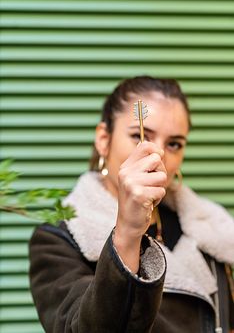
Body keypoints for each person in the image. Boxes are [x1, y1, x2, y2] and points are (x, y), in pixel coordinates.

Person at [29, 76, 234, 333]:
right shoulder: (60, 239)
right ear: (104, 139)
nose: (157, 154)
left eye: (174, 144)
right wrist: (127, 233)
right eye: (139, 135)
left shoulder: (214, 228)